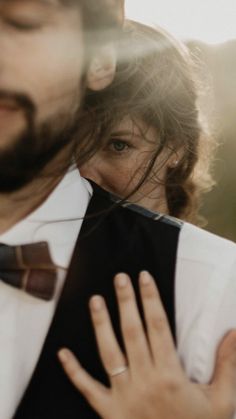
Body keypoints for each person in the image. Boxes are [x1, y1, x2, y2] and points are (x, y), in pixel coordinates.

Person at [0, 3, 235, 419]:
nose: (86, 172)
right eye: (73, 150)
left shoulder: (214, 292)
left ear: (178, 150)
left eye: (118, 146)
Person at [80, 21, 215, 224]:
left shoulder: (210, 256)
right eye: (67, 147)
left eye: (118, 146)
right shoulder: (31, 250)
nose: (83, 174)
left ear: (176, 145)